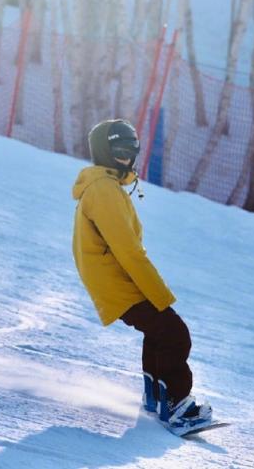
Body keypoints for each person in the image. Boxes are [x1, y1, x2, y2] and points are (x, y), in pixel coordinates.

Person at [71, 118, 212, 435]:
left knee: (161, 331)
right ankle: (176, 407)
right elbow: (129, 251)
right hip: (119, 282)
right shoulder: (104, 190)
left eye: (130, 153)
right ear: (104, 153)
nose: (126, 160)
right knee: (174, 332)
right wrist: (160, 295)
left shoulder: (104, 186)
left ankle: (156, 398)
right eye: (119, 153)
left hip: (115, 280)